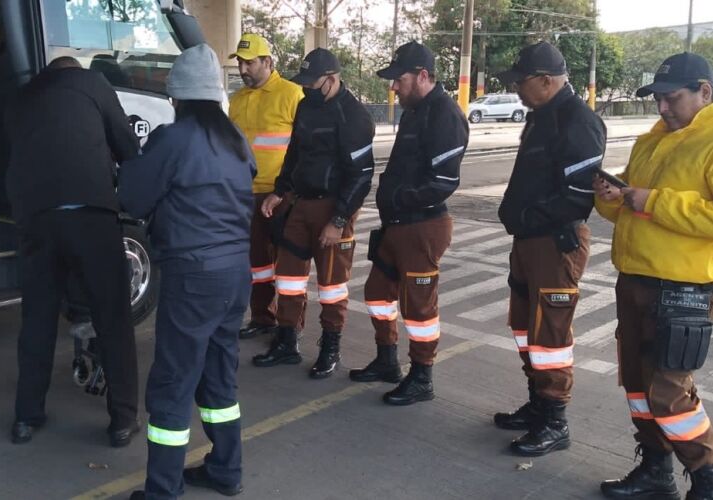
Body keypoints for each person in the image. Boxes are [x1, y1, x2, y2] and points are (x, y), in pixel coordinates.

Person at [120, 44, 254, 500]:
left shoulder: (172, 140)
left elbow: (133, 199)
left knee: (173, 382)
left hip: (194, 275)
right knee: (219, 374)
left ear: (176, 98)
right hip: (236, 274)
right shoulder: (236, 141)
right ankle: (226, 469)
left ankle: (161, 491)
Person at [4, 56, 139, 447]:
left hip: (36, 220)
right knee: (113, 316)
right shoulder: (93, 83)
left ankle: (26, 417)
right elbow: (127, 147)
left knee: (38, 319)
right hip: (90, 216)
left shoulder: (21, 97)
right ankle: (122, 420)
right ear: (75, 71)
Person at [595, 52, 713, 500]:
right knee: (638, 384)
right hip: (635, 280)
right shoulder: (653, 138)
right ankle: (655, 469)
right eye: (658, 98)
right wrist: (611, 195)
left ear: (705, 91)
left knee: (669, 392)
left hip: (683, 287)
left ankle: (706, 476)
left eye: (672, 98)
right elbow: (627, 201)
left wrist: (650, 200)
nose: (662, 107)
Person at [493, 41, 606, 457]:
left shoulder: (578, 120)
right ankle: (538, 403)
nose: (517, 90)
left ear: (546, 80)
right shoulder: (541, 118)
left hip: (555, 243)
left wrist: (526, 218)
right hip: (529, 242)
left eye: (522, 82)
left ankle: (555, 421)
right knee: (525, 327)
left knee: (551, 335)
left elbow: (578, 196)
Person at [349, 41, 469, 406]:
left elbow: (444, 182)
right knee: (376, 293)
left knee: (419, 309)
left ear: (422, 76)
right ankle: (387, 360)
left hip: (422, 226)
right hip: (397, 225)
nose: (393, 87)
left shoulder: (445, 114)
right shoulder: (416, 112)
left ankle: (421, 377)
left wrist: (400, 199)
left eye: (398, 79)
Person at [253, 48, 375, 378]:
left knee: (332, 286)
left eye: (312, 82)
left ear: (332, 79)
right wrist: (279, 191)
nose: (306, 88)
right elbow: (294, 153)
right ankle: (287, 341)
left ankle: (330, 349)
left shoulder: (354, 116)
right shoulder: (307, 106)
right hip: (300, 203)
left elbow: (362, 175)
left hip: (334, 208)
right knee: (289, 280)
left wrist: (338, 220)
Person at [228, 33, 305, 340]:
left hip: (282, 195)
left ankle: (290, 328)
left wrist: (286, 191)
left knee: (289, 268)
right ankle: (262, 318)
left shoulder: (292, 94)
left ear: (268, 62)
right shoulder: (237, 100)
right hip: (246, 195)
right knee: (257, 264)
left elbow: (304, 148)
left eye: (250, 63)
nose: (244, 70)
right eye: (241, 64)